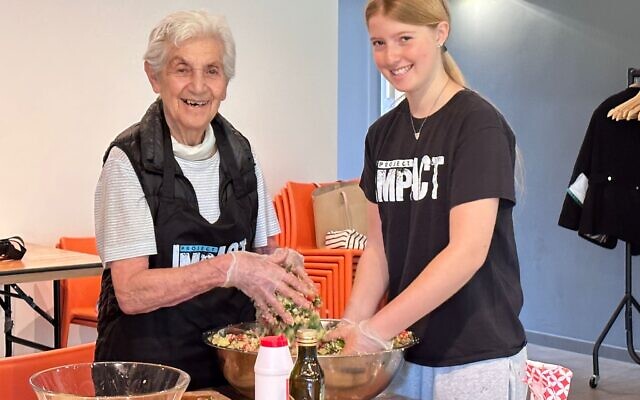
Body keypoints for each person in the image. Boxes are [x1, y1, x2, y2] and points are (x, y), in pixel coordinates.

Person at [94, 10, 315, 390]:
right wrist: (227, 268)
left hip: (232, 372)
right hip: (148, 377)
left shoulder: (243, 156)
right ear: (154, 76)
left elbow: (264, 256)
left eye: (211, 71)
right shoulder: (127, 160)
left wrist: (284, 268)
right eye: (182, 69)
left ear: (225, 83)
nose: (198, 86)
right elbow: (130, 292)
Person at [325, 1, 528, 399]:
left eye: (405, 38)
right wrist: (351, 325)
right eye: (379, 42)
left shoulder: (476, 123)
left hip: (473, 357)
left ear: (440, 33)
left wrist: (375, 330)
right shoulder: (381, 135)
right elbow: (379, 249)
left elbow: (467, 252)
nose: (391, 56)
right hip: (403, 355)